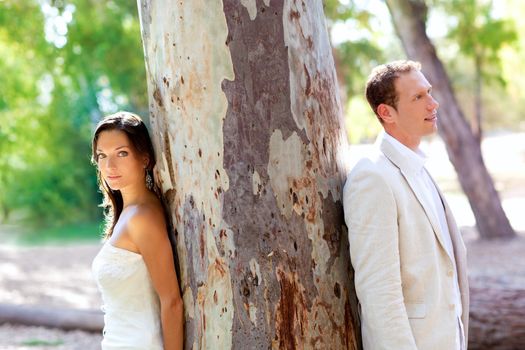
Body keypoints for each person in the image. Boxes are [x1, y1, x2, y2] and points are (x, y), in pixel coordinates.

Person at [343, 61, 469, 349]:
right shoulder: (372, 178)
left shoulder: (420, 169)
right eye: (418, 97)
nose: (433, 104)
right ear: (386, 113)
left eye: (429, 92)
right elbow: (379, 294)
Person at [91, 111, 183, 350]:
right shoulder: (129, 212)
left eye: (122, 153)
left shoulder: (142, 216)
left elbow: (171, 300)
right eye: (102, 156)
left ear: (144, 157)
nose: (109, 166)